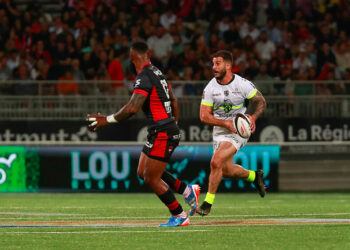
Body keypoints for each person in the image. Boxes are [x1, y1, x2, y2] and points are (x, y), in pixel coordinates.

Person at [87, 42, 200, 227]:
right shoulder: (157, 72)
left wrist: (106, 120)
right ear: (148, 54)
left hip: (162, 131)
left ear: (132, 59)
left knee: (151, 178)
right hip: (160, 129)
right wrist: (175, 124)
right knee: (143, 172)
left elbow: (132, 107)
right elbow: (173, 99)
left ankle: (179, 215)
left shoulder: (144, 76)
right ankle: (187, 191)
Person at [197, 50, 267, 216]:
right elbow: (203, 116)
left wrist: (254, 117)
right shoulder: (210, 88)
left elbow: (261, 101)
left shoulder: (242, 84)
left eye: (218, 63)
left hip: (239, 129)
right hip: (221, 128)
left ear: (228, 65)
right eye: (213, 63)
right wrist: (225, 123)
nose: (214, 67)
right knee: (225, 170)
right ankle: (254, 176)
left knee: (216, 162)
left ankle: (207, 203)